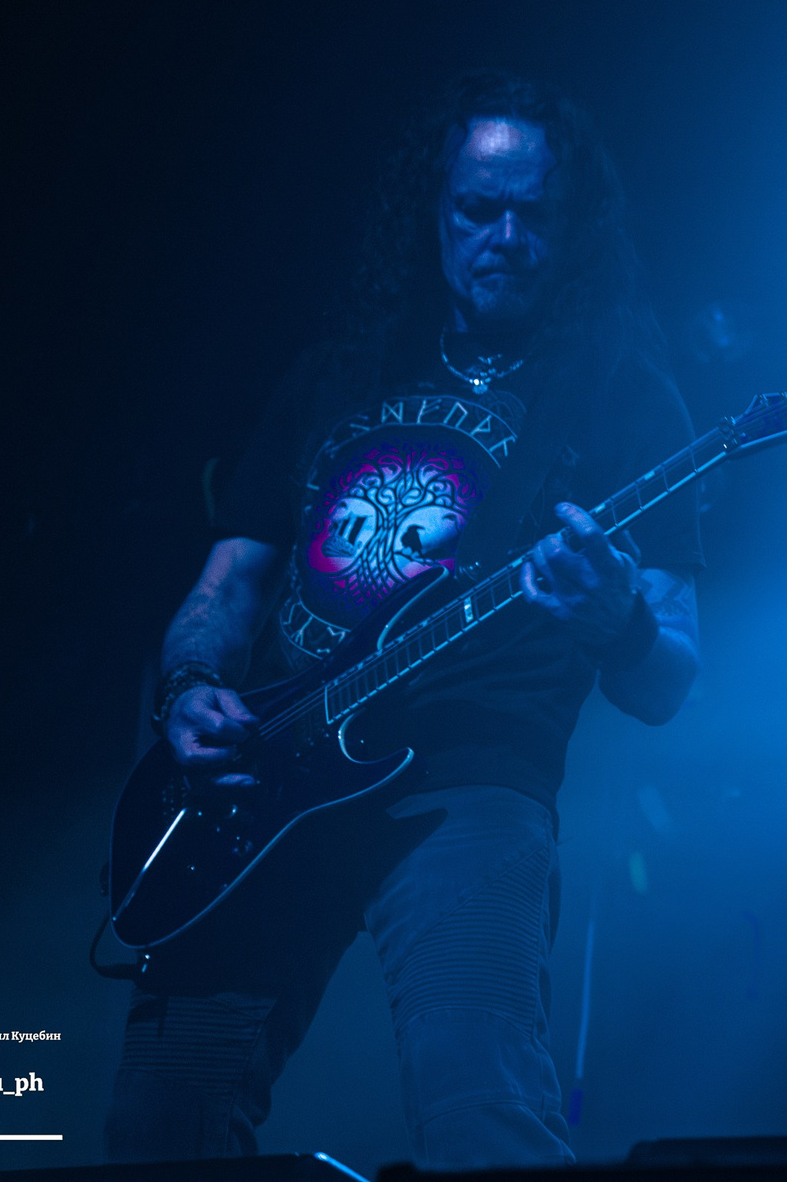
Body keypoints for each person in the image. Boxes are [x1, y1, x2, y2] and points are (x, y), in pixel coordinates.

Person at [105, 73, 702, 1168]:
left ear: (571, 229)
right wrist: (189, 690)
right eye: (480, 210)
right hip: (266, 774)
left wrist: (616, 620)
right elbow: (226, 587)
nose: (508, 236)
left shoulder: (620, 394)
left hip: (466, 785)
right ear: (435, 217)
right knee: (160, 1127)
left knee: (482, 1112)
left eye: (535, 213)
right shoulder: (336, 376)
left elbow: (668, 673)